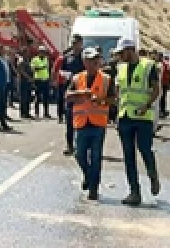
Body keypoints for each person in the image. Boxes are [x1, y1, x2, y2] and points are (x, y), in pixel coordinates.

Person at [114, 40, 162, 206]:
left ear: (131, 50)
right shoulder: (120, 68)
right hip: (125, 117)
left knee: (144, 149)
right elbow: (118, 92)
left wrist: (147, 105)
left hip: (143, 118)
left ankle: (152, 174)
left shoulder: (148, 66)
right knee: (128, 156)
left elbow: (156, 89)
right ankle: (134, 192)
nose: (120, 56)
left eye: (122, 53)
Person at [65, 47, 113, 200]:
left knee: (96, 157)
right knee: (79, 155)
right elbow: (67, 96)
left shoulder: (106, 79)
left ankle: (94, 188)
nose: (94, 63)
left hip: (98, 124)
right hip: (81, 124)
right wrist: (81, 93)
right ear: (85, 62)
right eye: (90, 60)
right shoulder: (77, 78)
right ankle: (88, 175)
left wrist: (101, 100)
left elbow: (113, 98)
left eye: (96, 60)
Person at [58, 35, 86, 155]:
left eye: (77, 43)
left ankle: (82, 146)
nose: (75, 45)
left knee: (83, 122)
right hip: (70, 93)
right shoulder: (67, 58)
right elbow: (62, 71)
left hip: (82, 93)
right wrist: (65, 75)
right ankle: (70, 146)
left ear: (81, 43)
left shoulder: (85, 58)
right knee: (69, 122)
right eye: (73, 43)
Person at [31, 46, 52, 119]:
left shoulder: (46, 59)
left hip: (45, 80)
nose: (42, 53)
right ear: (39, 52)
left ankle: (46, 113)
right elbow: (33, 68)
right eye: (41, 51)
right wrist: (41, 67)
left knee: (46, 98)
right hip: (38, 80)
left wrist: (50, 79)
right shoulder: (34, 59)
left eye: (44, 51)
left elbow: (48, 69)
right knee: (37, 97)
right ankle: (37, 113)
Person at [16, 52, 34, 119]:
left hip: (28, 82)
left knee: (28, 97)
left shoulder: (27, 60)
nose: (28, 54)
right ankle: (23, 113)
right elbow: (21, 71)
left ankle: (27, 113)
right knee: (23, 98)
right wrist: (29, 78)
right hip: (23, 82)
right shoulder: (21, 61)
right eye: (26, 53)